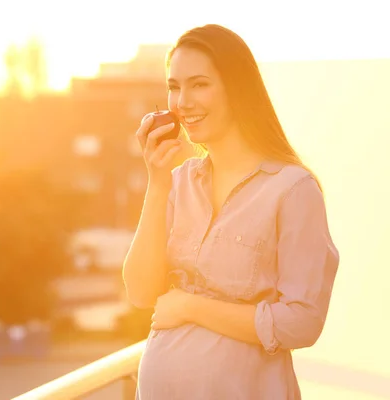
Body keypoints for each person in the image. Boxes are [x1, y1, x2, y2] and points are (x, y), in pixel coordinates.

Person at [123, 24, 340, 399]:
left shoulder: (292, 190)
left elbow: (302, 322)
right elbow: (141, 291)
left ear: (237, 88)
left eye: (200, 84)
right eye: (174, 86)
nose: (182, 102)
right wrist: (156, 184)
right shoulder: (177, 183)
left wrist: (191, 307)